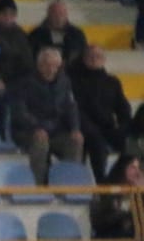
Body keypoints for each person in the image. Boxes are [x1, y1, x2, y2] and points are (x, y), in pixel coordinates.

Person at [9, 47, 85, 186]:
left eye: (54, 66)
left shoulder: (65, 82)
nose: (51, 69)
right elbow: (20, 112)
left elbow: (71, 107)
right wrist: (36, 127)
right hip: (28, 131)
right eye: (47, 65)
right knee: (40, 142)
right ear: (39, 65)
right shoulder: (24, 83)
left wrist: (75, 128)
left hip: (56, 130)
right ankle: (38, 185)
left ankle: (68, 184)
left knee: (76, 141)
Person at [70, 46, 130, 182]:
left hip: (108, 127)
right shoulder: (74, 81)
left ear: (104, 60)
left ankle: (116, 178)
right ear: (84, 59)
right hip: (85, 128)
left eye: (98, 56)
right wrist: (90, 129)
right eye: (90, 56)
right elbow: (75, 109)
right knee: (97, 142)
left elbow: (122, 107)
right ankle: (102, 185)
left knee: (132, 144)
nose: (94, 59)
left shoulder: (113, 81)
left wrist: (126, 126)